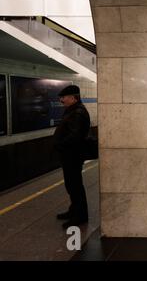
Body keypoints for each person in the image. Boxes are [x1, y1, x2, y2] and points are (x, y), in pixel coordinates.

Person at [53, 85, 90, 229]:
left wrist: (61, 144)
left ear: (73, 98)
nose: (62, 100)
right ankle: (73, 210)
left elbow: (75, 136)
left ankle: (80, 216)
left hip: (73, 155)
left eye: (64, 98)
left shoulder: (78, 113)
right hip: (70, 155)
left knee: (75, 186)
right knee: (71, 185)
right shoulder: (74, 110)